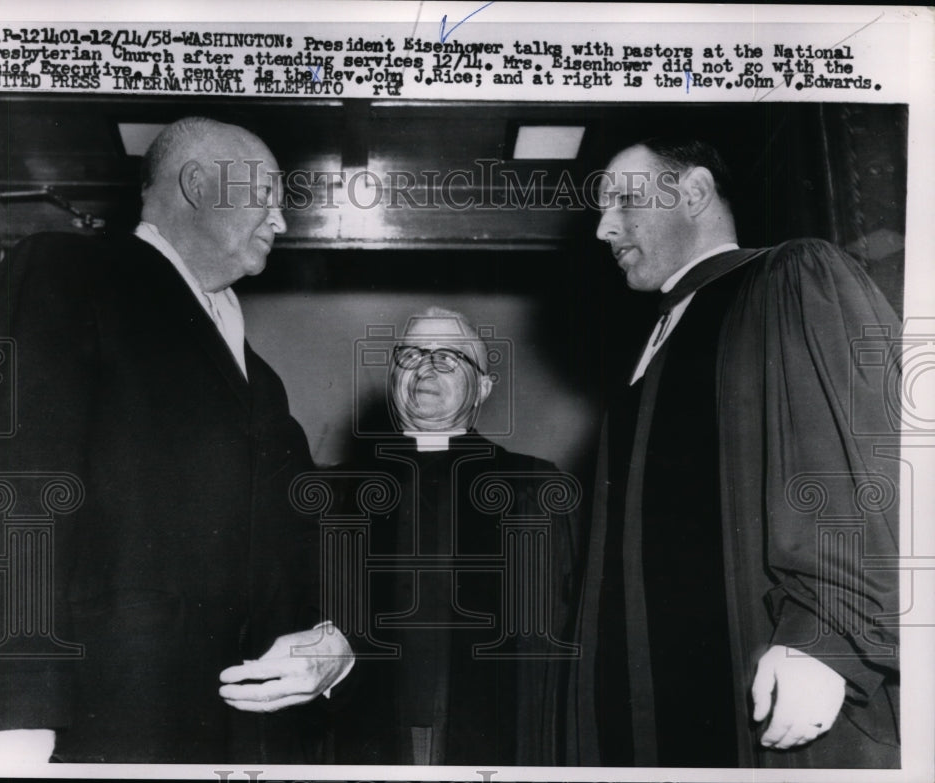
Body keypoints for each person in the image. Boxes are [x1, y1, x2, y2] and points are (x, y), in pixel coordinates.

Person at [0, 117, 352, 764]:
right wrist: (12, 713)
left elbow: (303, 526)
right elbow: (11, 491)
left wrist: (332, 641)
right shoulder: (67, 270)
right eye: (266, 198)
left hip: (238, 731)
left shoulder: (263, 380)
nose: (281, 222)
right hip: (98, 721)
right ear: (197, 183)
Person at [566, 139, 900, 768]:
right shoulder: (653, 343)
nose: (604, 226)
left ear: (692, 193)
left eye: (625, 199)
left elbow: (866, 470)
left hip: (789, 695)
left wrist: (826, 643)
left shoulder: (791, 279)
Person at [327, 307, 579, 765]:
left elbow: (556, 633)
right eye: (411, 355)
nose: (426, 366)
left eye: (449, 356)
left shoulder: (533, 487)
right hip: (359, 733)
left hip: (496, 734)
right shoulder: (338, 491)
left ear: (483, 386)